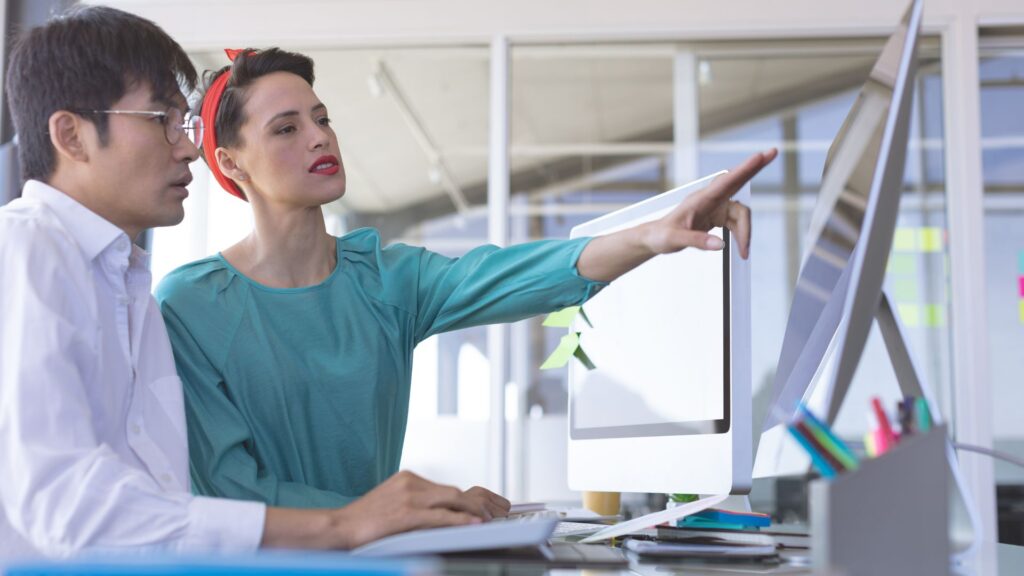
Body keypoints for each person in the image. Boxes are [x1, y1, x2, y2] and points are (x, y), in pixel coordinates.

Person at [155, 48, 776, 509]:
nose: (321, 136)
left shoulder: (385, 280)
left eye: (322, 117)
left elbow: (518, 275)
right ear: (232, 163)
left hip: (381, 559)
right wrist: (411, 511)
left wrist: (651, 236)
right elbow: (234, 493)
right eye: (287, 128)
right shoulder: (192, 304)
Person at [0, 6, 504, 558]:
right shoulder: (23, 250)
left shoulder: (128, 286)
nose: (187, 148)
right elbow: (64, 502)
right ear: (71, 135)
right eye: (160, 120)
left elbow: (158, 503)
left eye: (184, 124)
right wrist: (344, 524)